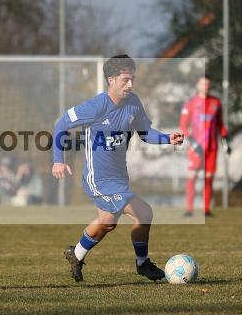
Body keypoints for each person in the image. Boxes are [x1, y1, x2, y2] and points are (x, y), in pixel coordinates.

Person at [52, 55, 183, 282]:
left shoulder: (133, 103)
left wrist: (167, 138)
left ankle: (76, 254)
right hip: (98, 179)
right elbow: (62, 122)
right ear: (111, 80)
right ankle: (142, 263)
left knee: (107, 222)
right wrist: (58, 160)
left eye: (132, 79)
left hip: (119, 177)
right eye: (125, 80)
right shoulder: (96, 106)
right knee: (144, 213)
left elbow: (145, 133)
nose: (130, 84)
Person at [180, 75, 230, 217]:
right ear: (198, 85)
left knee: (209, 178)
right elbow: (183, 126)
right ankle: (189, 209)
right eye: (203, 84)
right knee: (192, 177)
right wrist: (192, 142)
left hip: (212, 147)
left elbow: (220, 124)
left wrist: (226, 141)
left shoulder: (216, 103)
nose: (205, 87)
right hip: (196, 147)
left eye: (208, 84)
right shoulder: (190, 103)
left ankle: (206, 210)